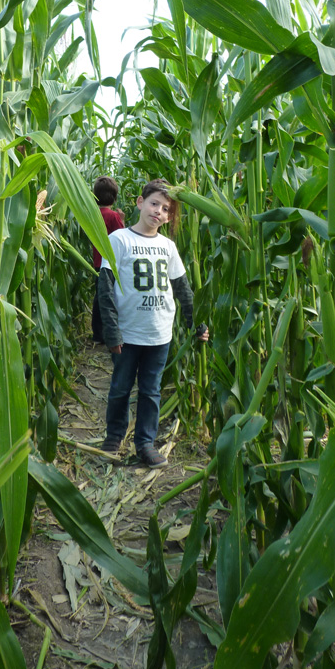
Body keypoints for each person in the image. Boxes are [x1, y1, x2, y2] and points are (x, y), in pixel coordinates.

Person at [98, 178, 209, 468]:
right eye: (154, 203)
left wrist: (195, 322)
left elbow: (182, 289)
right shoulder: (119, 240)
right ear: (139, 202)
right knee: (121, 387)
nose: (158, 211)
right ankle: (113, 437)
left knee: (151, 390)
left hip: (159, 334)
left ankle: (145, 443)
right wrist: (111, 330)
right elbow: (105, 288)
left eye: (165, 208)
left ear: (169, 217)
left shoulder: (168, 247)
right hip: (128, 333)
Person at [91, 176, 125, 343]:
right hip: (112, 264)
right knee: (111, 298)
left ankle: (97, 335)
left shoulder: (92, 214)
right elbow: (123, 237)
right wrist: (123, 220)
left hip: (97, 262)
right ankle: (109, 334)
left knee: (99, 298)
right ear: (114, 197)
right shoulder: (113, 216)